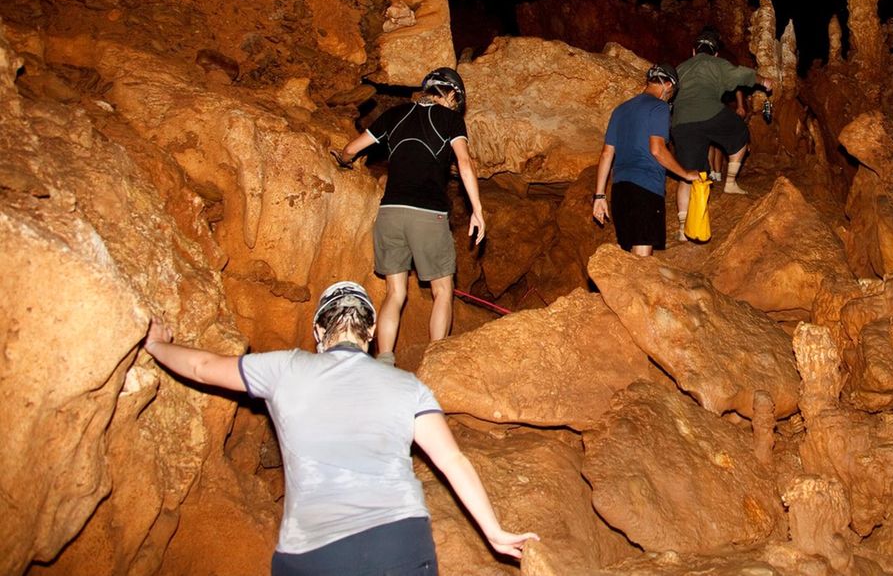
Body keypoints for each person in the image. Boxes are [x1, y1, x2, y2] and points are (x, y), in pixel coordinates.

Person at [142, 281, 538, 574]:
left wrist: (156, 345)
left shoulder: (284, 368)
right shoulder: (408, 386)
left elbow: (203, 367)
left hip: (314, 554)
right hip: (398, 543)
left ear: (318, 333)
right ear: (369, 336)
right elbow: (453, 460)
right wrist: (494, 532)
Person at [336, 67, 483, 363]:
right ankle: (435, 362)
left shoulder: (396, 115)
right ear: (452, 93)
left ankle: (385, 361)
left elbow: (351, 148)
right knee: (443, 290)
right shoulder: (449, 119)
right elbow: (464, 163)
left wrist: (343, 160)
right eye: (457, 100)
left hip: (390, 212)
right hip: (428, 214)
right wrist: (477, 210)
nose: (457, 106)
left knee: (395, 293)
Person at [592, 63, 701, 255]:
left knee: (629, 255)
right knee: (641, 258)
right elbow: (657, 150)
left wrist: (600, 195)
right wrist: (685, 174)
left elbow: (606, 154)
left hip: (620, 191)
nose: (669, 97)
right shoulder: (659, 108)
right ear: (668, 85)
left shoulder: (620, 110)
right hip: (645, 187)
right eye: (671, 92)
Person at [672, 28, 772, 230]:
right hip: (709, 112)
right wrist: (763, 81)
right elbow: (741, 75)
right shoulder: (716, 63)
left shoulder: (680, 68)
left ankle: (683, 227)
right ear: (715, 53)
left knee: (688, 174)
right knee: (740, 132)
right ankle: (730, 182)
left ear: (693, 51)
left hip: (681, 122)